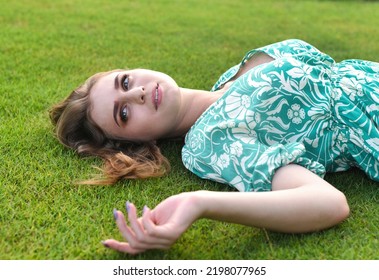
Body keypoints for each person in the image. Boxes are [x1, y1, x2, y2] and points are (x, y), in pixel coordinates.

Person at [50, 39, 379, 255]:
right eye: (123, 113)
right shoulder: (209, 142)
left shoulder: (231, 77)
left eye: (124, 81)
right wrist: (199, 202)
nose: (135, 93)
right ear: (136, 143)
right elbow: (327, 203)